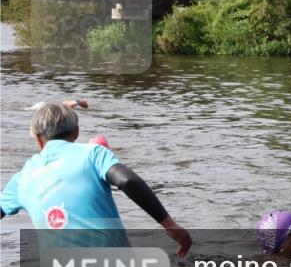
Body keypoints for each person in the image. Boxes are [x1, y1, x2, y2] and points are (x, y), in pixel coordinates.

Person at [0, 103, 192, 256]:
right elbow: (128, 181)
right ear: (76, 131)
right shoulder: (92, 153)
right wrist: (170, 225)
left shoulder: (21, 179)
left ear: (37, 138)